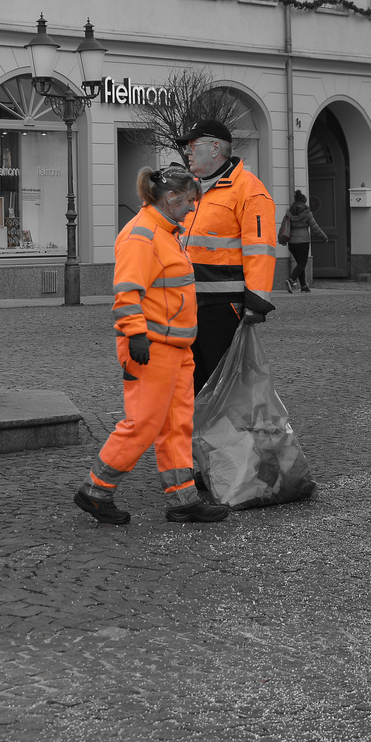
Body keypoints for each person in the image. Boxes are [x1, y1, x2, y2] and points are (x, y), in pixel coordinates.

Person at [75, 165, 229, 525]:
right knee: (143, 423)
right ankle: (95, 491)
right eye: (190, 201)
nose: (192, 208)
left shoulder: (164, 232)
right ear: (171, 198)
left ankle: (184, 500)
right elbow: (127, 291)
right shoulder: (142, 235)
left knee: (177, 425)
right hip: (152, 347)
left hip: (174, 348)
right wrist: (135, 333)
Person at [178, 120, 277, 393]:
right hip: (188, 302)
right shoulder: (194, 189)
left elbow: (261, 249)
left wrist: (256, 303)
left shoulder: (249, 190)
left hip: (223, 306)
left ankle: (227, 432)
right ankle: (197, 433)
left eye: (192, 146)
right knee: (193, 380)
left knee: (223, 382)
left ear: (214, 148)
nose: (187, 152)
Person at [279, 190, 328, 293]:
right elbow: (315, 228)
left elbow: (283, 227)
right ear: (304, 202)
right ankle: (291, 280)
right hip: (303, 242)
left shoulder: (289, 213)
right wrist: (324, 237)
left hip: (292, 243)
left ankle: (304, 286)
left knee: (299, 264)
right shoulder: (307, 213)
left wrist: (281, 239)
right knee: (302, 264)